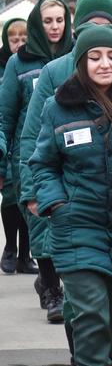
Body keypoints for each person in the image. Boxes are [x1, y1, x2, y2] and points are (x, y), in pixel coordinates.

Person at [19, 0, 112, 366]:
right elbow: (35, 140)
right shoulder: (56, 81)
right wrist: (43, 199)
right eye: (90, 27)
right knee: (86, 303)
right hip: (77, 214)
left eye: (107, 28)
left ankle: (105, 355)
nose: (104, 58)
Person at [0, 0, 72, 322]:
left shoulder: (77, 56)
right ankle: (51, 290)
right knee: (39, 219)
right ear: (36, 24)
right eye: (48, 20)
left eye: (59, 20)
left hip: (69, 151)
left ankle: (53, 280)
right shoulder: (19, 62)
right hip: (29, 152)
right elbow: (5, 115)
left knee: (65, 219)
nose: (55, 26)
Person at [0, 17, 36, 275]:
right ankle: (10, 247)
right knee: (10, 197)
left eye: (24, 39)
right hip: (9, 141)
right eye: (14, 40)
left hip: (26, 142)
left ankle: (25, 253)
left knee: (27, 198)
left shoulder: (32, 65)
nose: (19, 44)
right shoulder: (8, 66)